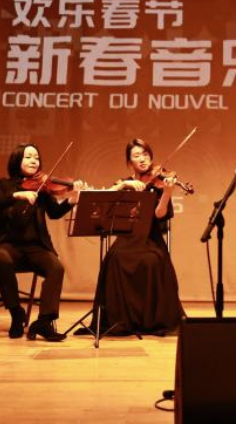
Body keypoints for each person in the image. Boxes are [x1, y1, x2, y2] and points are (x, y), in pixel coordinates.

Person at [77, 139, 185, 336]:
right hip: (126, 239)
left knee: (152, 260)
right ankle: (120, 319)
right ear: (129, 163)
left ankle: (150, 320)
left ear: (151, 158)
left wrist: (167, 192)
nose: (142, 159)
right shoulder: (123, 183)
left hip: (150, 240)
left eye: (145, 155)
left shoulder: (159, 184)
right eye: (136, 156)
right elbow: (100, 199)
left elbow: (160, 215)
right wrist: (124, 185)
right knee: (115, 258)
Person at [0, 143, 84, 341]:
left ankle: (44, 322)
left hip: (36, 247)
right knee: (0, 260)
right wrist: (17, 195)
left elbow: (54, 213)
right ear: (17, 160)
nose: (34, 161)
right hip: (9, 245)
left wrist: (71, 201)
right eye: (28, 157)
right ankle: (16, 313)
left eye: (36, 157)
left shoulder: (43, 186)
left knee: (57, 268)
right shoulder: (4, 185)